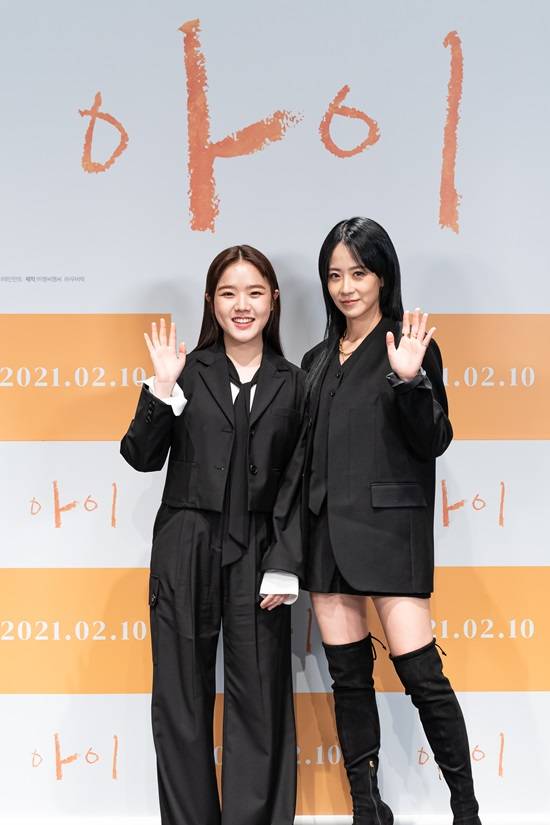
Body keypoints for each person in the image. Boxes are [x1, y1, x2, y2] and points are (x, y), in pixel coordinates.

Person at [289, 218, 481, 825]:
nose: (346, 287)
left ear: (383, 276)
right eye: (335, 275)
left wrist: (409, 380)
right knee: (349, 680)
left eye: (360, 273)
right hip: (325, 538)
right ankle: (367, 809)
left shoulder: (411, 345)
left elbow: (434, 440)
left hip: (390, 535)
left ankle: (466, 810)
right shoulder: (316, 360)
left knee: (423, 676)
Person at [120, 245, 305, 825]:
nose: (241, 305)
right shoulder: (186, 371)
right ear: (211, 301)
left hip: (261, 551)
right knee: (181, 698)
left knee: (261, 699)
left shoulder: (296, 383)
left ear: (273, 300)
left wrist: (286, 560)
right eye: (228, 293)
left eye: (254, 292)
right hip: (186, 544)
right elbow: (140, 456)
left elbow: (300, 482)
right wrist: (161, 388)